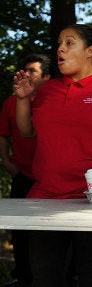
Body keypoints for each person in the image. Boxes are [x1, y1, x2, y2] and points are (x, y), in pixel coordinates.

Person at [13, 24, 92, 286]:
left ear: (89, 51)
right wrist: (23, 99)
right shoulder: (47, 91)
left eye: (69, 43)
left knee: (90, 274)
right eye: (60, 43)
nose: (60, 48)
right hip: (46, 197)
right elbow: (27, 132)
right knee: (44, 276)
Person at [0, 54, 51, 286]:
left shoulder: (52, 101)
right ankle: (22, 277)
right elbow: (3, 135)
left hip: (47, 177)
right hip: (21, 174)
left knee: (47, 233)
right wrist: (7, 162)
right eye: (26, 70)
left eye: (33, 71)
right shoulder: (12, 101)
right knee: (19, 232)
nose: (27, 74)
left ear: (47, 78)